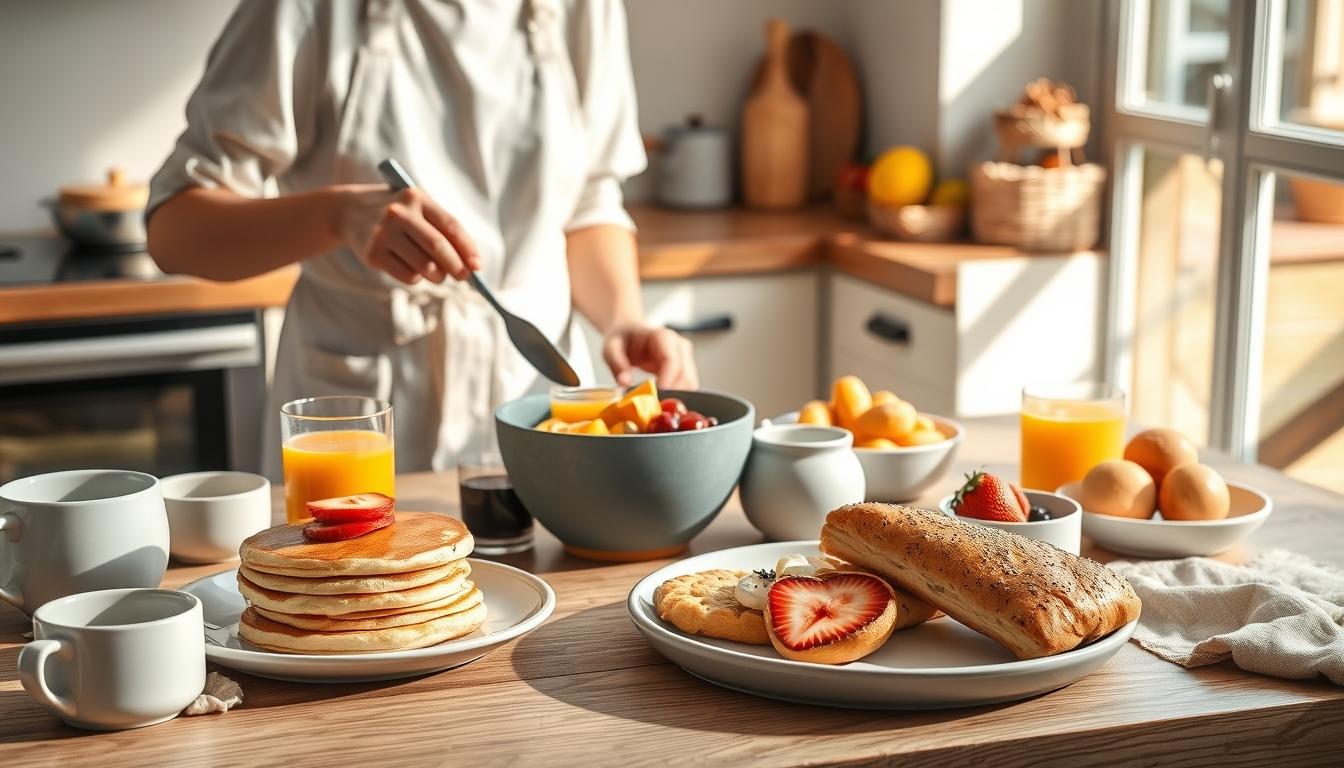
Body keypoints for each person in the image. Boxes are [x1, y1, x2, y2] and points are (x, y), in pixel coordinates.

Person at [146, 0, 698, 476]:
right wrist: (338, 216)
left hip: (539, 405)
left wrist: (623, 317)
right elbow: (174, 231)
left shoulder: (582, 9)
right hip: (360, 421)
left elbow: (589, 203)